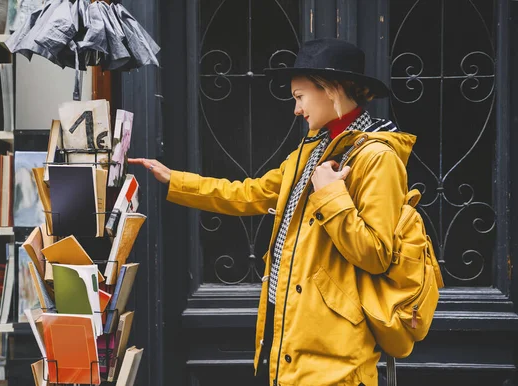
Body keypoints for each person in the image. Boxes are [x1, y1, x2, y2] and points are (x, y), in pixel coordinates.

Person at [129, 38, 416, 386]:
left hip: (336, 362)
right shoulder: (311, 151)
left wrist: (330, 194)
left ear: (332, 89)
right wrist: (175, 179)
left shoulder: (377, 157)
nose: (296, 110)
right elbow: (250, 194)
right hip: (293, 347)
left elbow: (376, 255)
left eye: (299, 97)